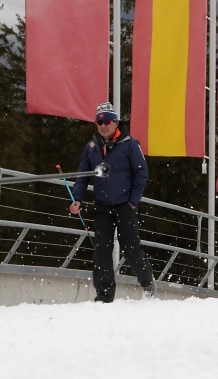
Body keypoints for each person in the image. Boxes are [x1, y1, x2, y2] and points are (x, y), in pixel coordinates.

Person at [69, 102, 155, 303]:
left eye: (107, 121)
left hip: (125, 206)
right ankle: (104, 295)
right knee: (102, 250)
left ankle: (147, 282)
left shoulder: (130, 144)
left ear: (116, 122)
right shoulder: (91, 147)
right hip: (102, 206)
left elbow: (142, 174)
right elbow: (82, 176)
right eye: (99, 121)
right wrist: (77, 199)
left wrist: (132, 202)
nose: (103, 125)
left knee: (130, 248)